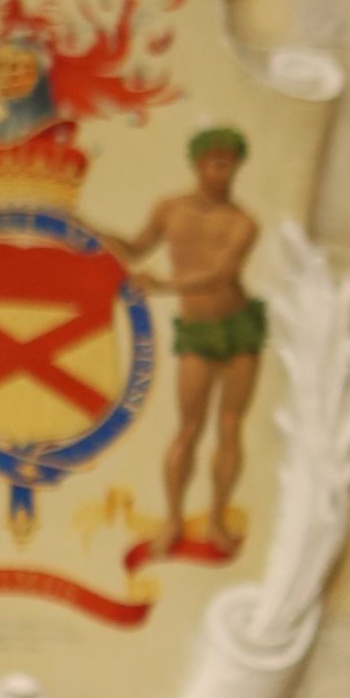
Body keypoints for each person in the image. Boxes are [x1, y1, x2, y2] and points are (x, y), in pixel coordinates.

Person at [105, 126, 264, 557]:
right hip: (197, 331)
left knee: (229, 426)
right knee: (188, 428)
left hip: (238, 327)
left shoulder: (242, 222)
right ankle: (173, 520)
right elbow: (136, 247)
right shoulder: (170, 209)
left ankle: (214, 519)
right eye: (216, 162)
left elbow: (221, 274)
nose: (223, 172)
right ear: (198, 164)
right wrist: (98, 234)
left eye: (229, 164)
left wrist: (164, 285)